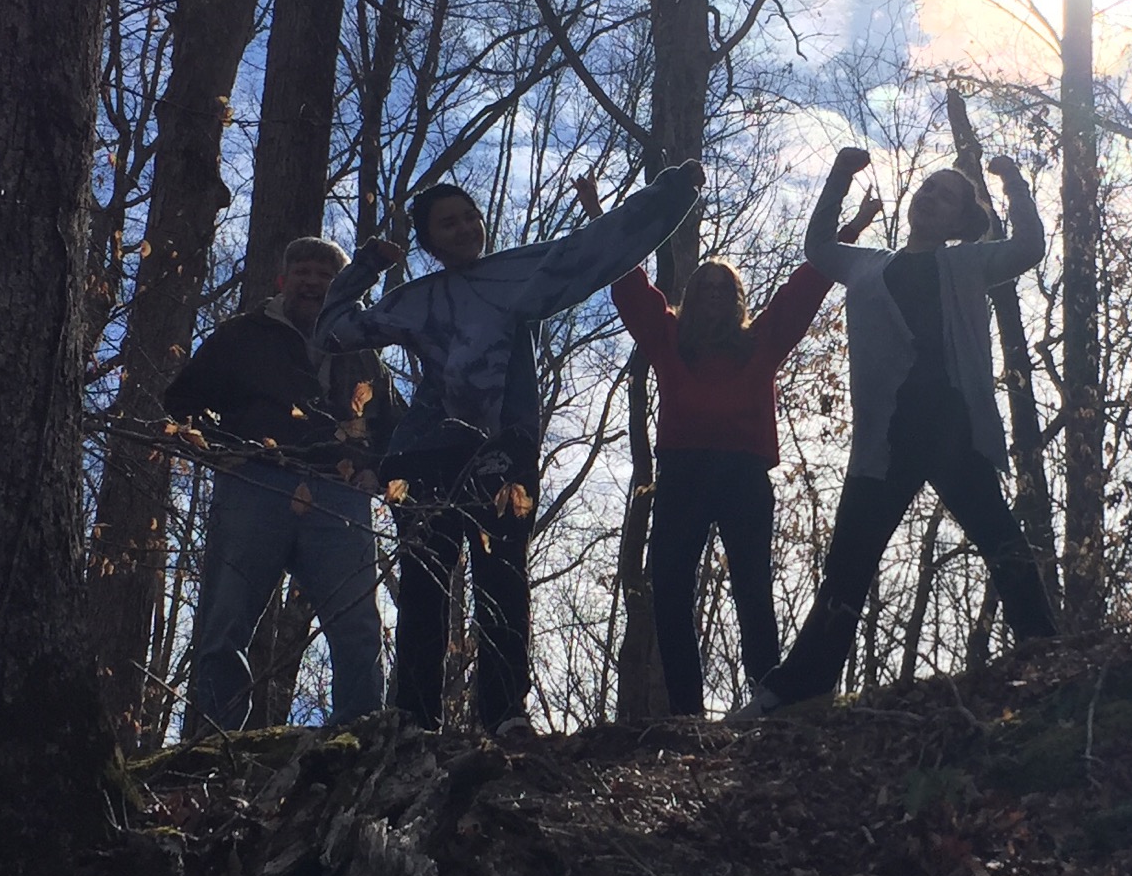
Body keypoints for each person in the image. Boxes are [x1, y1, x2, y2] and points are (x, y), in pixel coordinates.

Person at [320, 161, 702, 735]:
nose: (464, 228)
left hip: (503, 450)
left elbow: (595, 249)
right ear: (428, 242)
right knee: (424, 584)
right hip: (422, 456)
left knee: (502, 574)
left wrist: (671, 192)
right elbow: (334, 330)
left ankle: (505, 714)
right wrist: (366, 266)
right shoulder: (417, 300)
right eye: (447, 223)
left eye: (469, 216)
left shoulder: (518, 274)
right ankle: (413, 719)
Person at [737, 146, 1057, 715]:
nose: (930, 197)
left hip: (952, 428)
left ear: (960, 222)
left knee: (999, 536)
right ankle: (799, 688)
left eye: (946, 196)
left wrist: (1013, 183)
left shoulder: (968, 263)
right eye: (928, 188)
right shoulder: (867, 266)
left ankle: (1046, 650)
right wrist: (838, 177)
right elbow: (818, 248)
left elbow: (1030, 247)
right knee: (848, 561)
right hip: (886, 438)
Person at [595, 174, 879, 718]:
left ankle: (767, 697)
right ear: (690, 297)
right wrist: (598, 213)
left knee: (752, 583)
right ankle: (686, 713)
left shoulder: (760, 341)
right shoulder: (667, 340)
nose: (713, 296)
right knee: (670, 586)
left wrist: (852, 228)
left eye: (723, 289)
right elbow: (628, 282)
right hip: (682, 474)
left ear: (736, 301)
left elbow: (805, 288)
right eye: (704, 288)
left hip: (743, 475)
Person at [166, 236, 402, 736]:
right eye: (304, 273)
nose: (313, 284)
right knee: (226, 623)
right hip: (256, 483)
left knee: (358, 625)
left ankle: (357, 744)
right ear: (282, 280)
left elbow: (393, 425)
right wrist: (218, 448)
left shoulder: (360, 350)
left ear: (342, 287)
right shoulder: (243, 335)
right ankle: (215, 747)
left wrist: (377, 469)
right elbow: (182, 400)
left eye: (325, 276)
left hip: (338, 494)